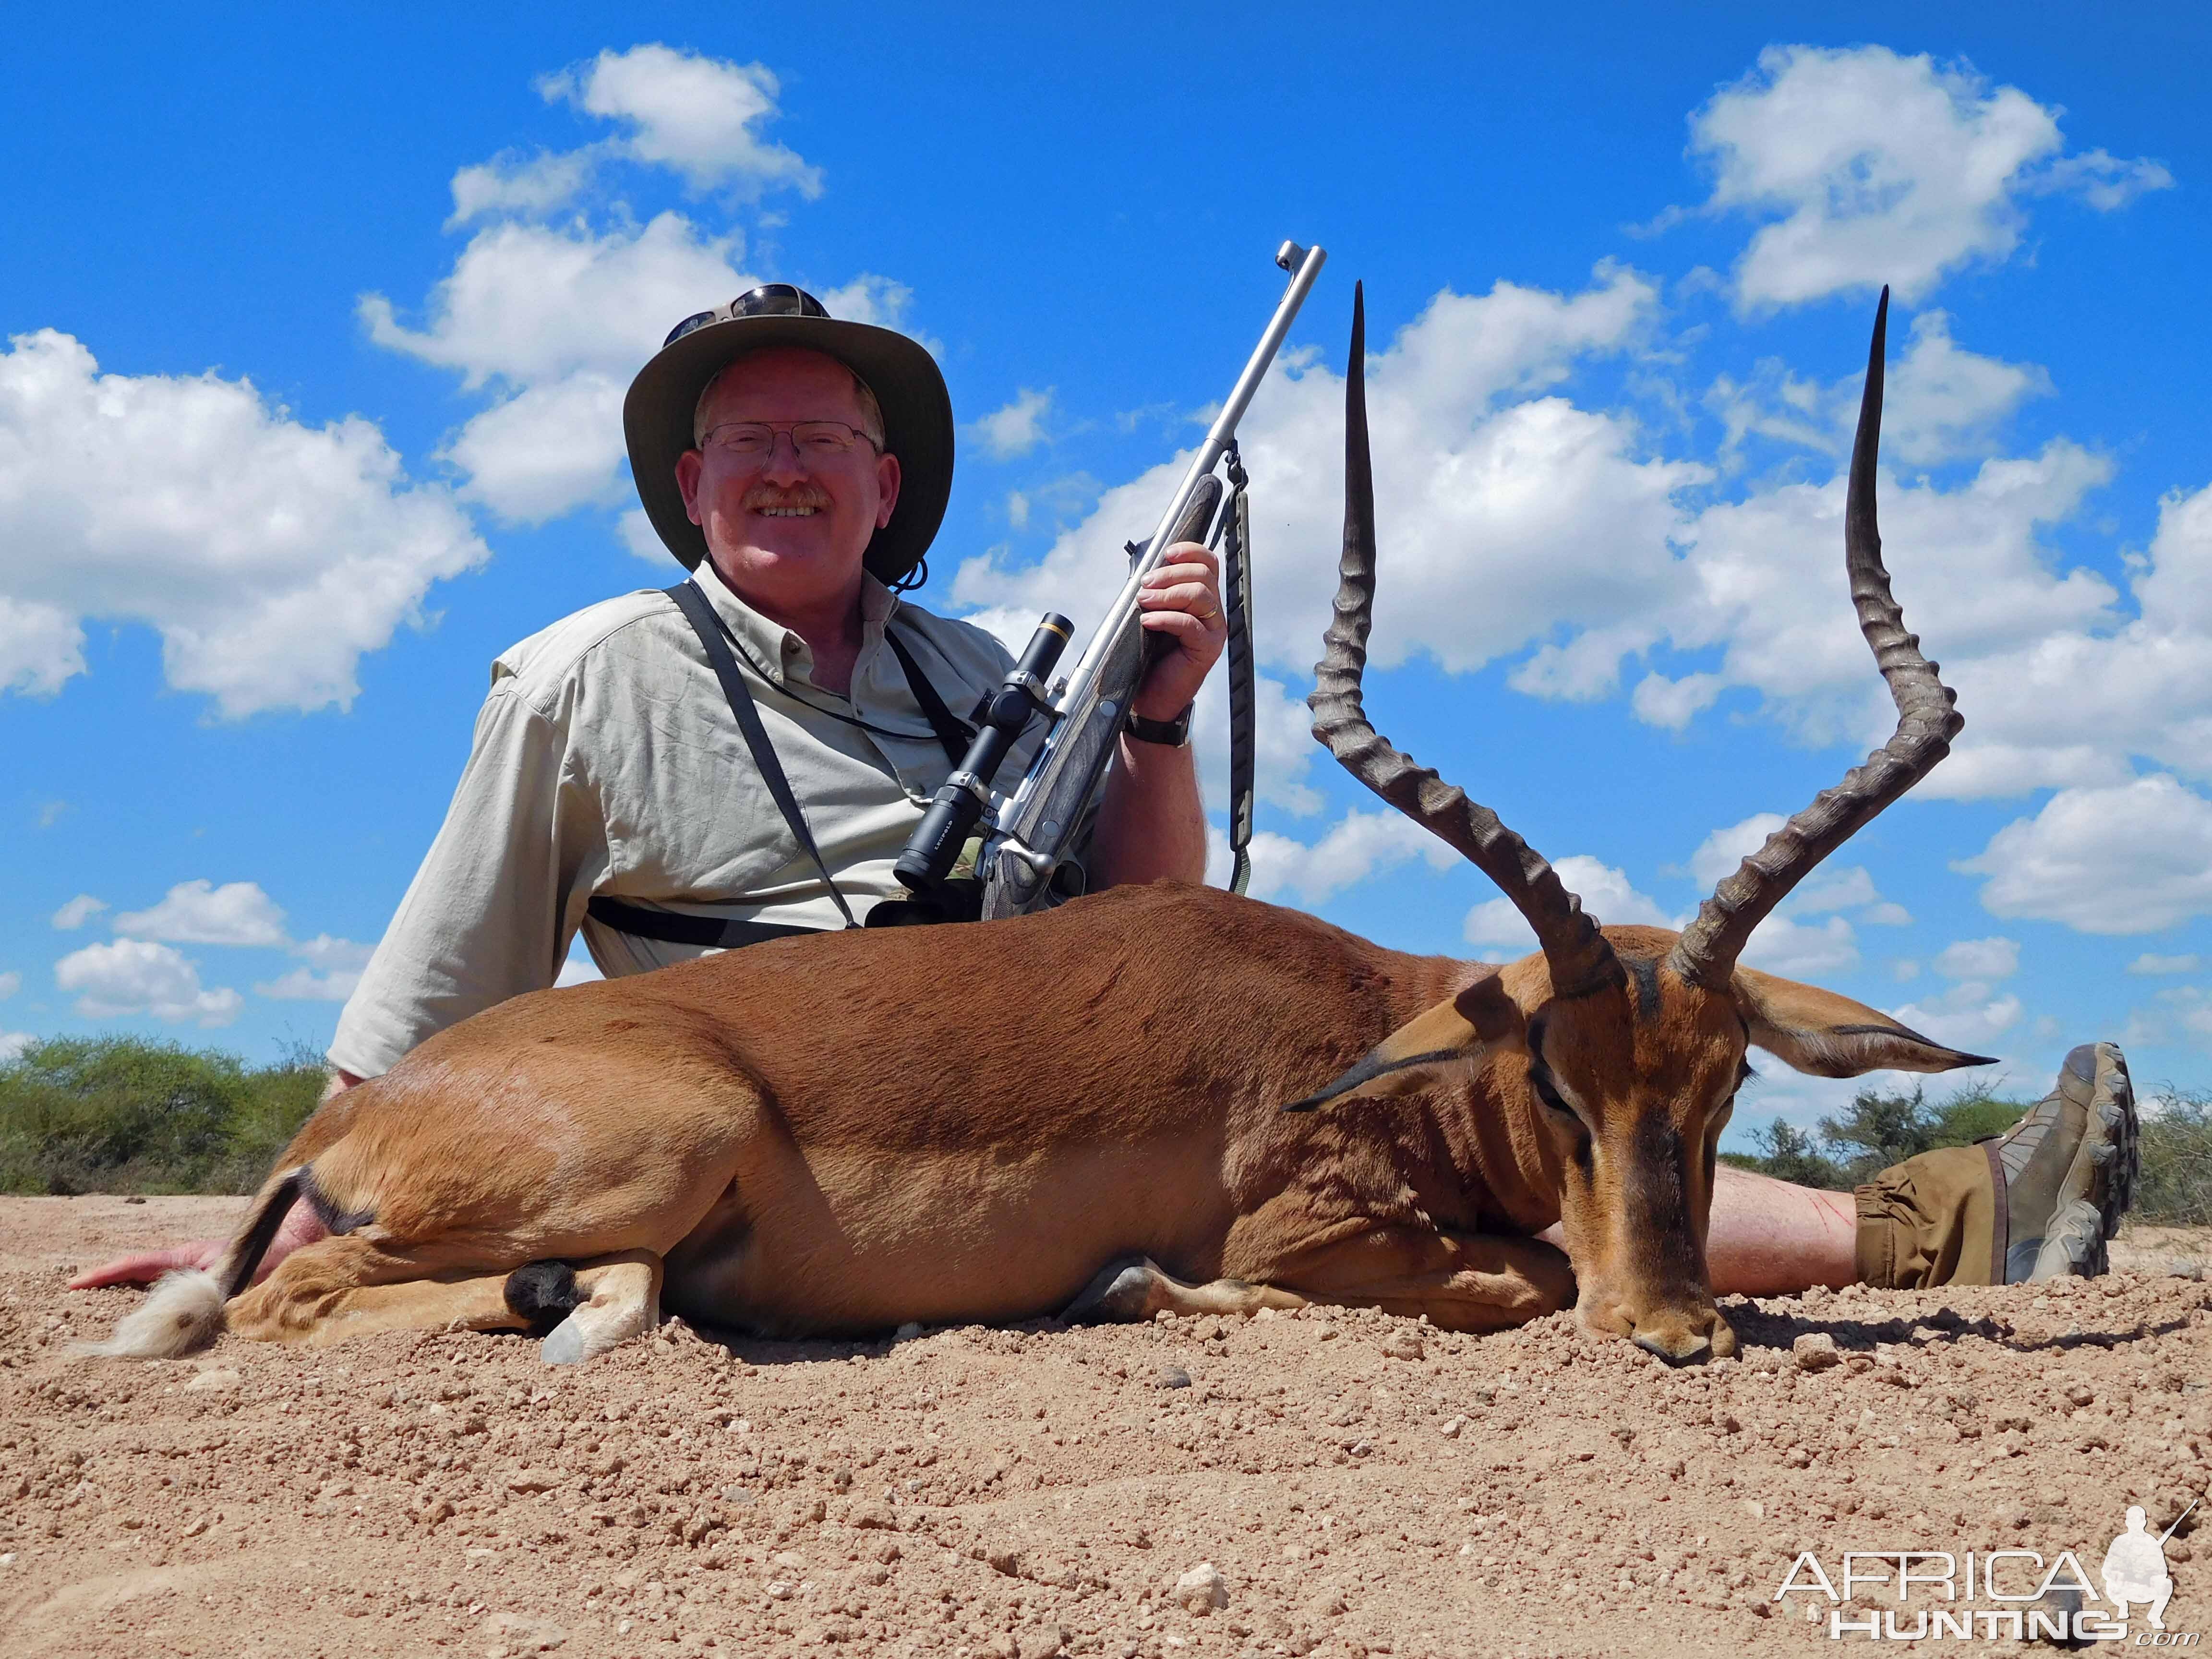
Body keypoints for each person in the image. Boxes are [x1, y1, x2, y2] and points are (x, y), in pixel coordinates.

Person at [69, 291, 2141, 1315]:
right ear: (690, 486)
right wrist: (278, 1207)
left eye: (829, 445)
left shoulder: (994, 680)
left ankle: (1931, 1219)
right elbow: (430, 998)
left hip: (1035, 1051)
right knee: (1407, 1129)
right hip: (749, 1089)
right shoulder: (585, 676)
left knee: (1478, 1088)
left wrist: (1157, 715)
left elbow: (1151, 936)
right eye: (746, 447)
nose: (789, 474)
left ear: (889, 485)